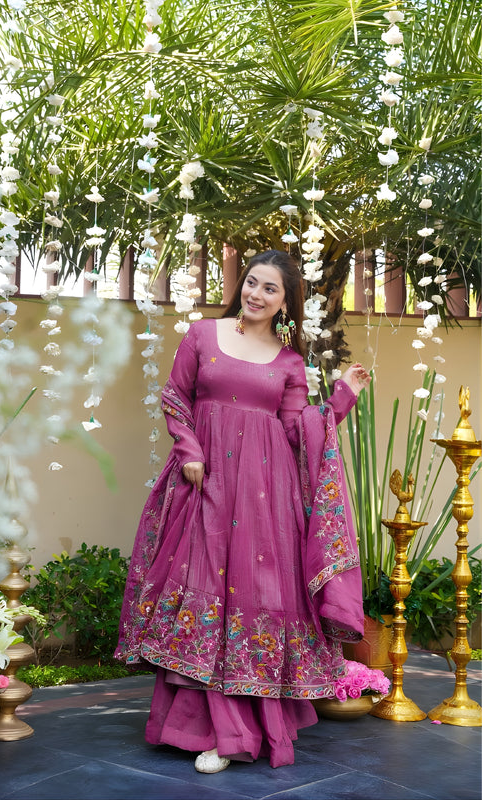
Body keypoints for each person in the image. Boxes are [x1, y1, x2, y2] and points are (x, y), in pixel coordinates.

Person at [115, 249, 371, 772]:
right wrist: (189, 452)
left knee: (251, 598)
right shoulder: (202, 335)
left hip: (263, 497)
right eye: (251, 282)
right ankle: (200, 726)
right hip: (203, 484)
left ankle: (234, 733)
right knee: (203, 588)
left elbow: (300, 430)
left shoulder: (289, 362)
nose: (255, 294)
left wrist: (341, 398)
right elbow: (174, 396)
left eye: (269, 289)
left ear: (285, 303)